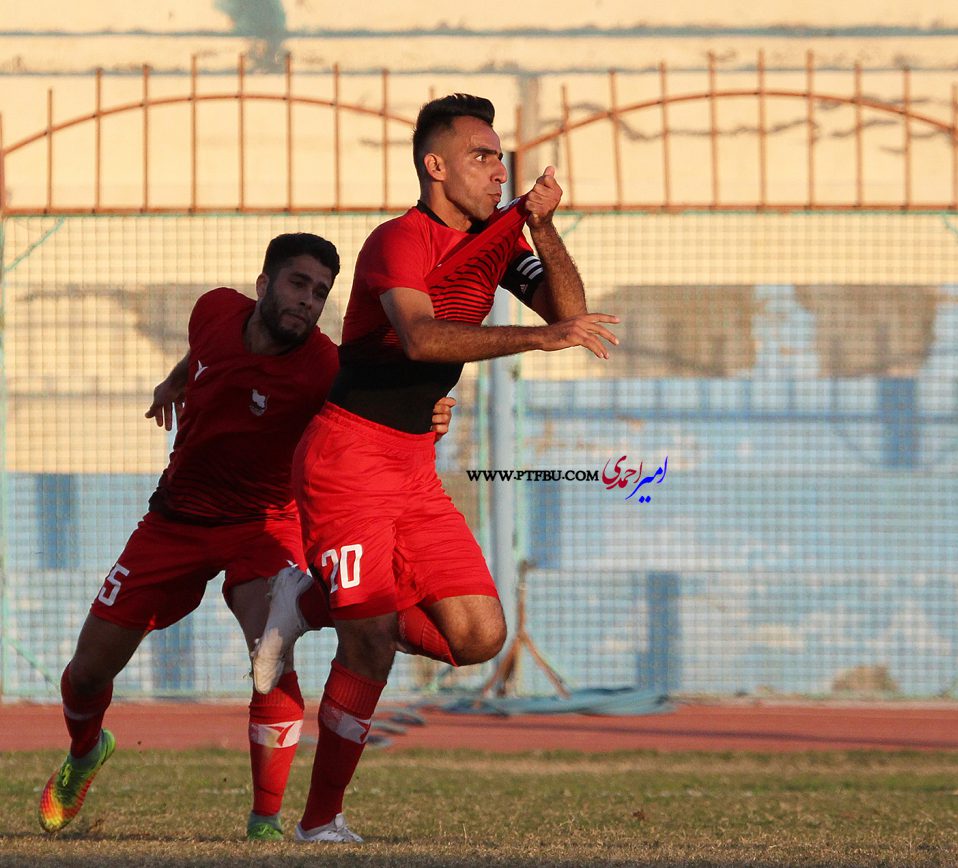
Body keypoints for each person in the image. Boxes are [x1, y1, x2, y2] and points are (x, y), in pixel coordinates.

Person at [256, 93, 619, 844]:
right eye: (483, 156)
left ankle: (307, 601)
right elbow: (420, 338)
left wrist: (542, 229)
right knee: (373, 639)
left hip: (414, 464)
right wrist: (538, 339)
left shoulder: (497, 239)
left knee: (480, 636)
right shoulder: (398, 239)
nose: (498, 171)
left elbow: (569, 307)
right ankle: (319, 824)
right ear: (436, 165)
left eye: (500, 158)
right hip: (347, 458)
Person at [36, 231, 457, 842]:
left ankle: (265, 822)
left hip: (265, 525)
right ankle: (83, 754)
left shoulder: (325, 368)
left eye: (320, 293)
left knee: (271, 658)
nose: (308, 301)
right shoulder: (212, 308)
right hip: (173, 521)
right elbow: (202, 349)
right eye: (297, 283)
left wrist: (428, 415)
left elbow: (377, 406)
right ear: (263, 285)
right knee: (86, 674)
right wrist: (175, 380)